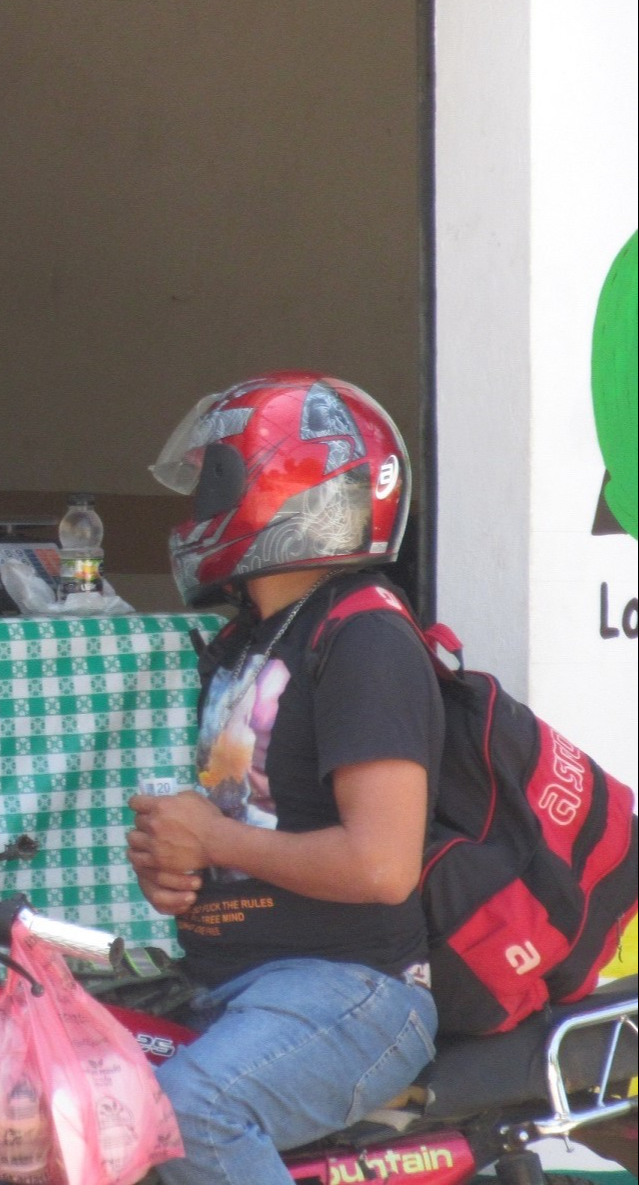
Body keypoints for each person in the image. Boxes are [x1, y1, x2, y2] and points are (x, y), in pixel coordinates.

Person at [127, 371, 443, 1185]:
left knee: (189, 1109)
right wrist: (178, 863)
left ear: (288, 486)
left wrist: (213, 836)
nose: (195, 511)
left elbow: (380, 866)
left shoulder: (363, 633)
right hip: (231, 986)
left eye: (214, 484)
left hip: (353, 993)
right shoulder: (248, 640)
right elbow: (258, 830)